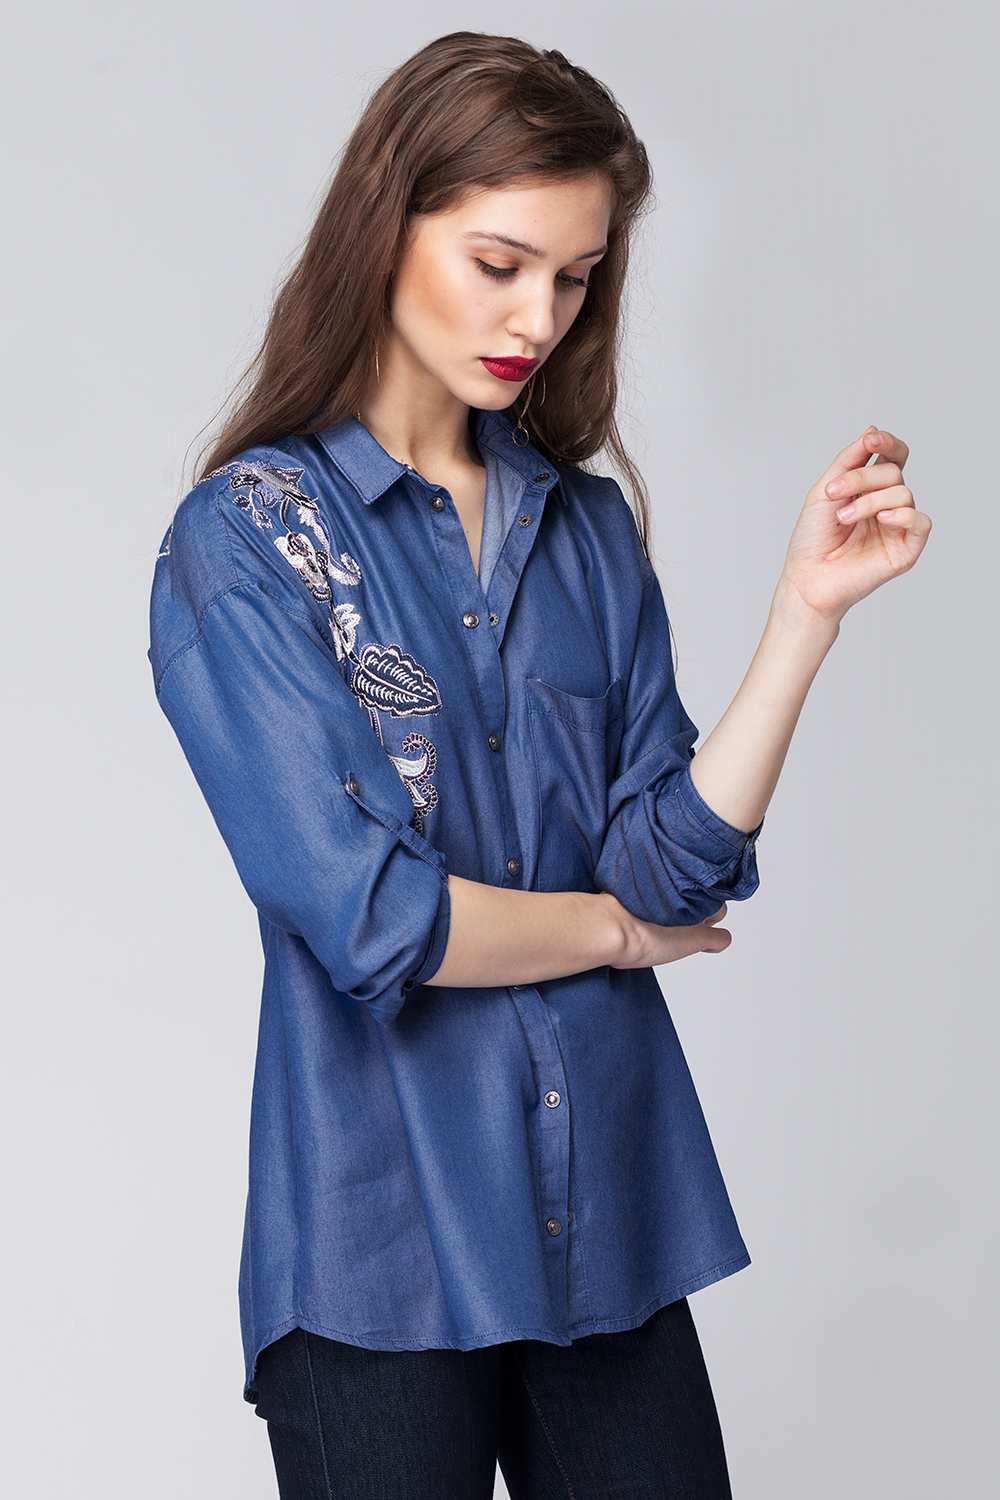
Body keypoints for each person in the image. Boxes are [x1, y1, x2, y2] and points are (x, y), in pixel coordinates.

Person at [149, 31, 930, 1500]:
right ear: (387, 227)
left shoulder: (585, 534)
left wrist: (802, 618)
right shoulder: (246, 544)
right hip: (379, 1246)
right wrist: (615, 937)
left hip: (609, 1226)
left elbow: (670, 864)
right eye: (501, 263)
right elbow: (376, 920)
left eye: (574, 279)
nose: (538, 319)